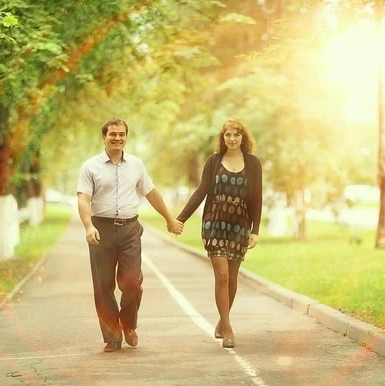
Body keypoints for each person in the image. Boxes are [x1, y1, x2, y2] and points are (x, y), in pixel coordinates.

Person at [77, 118, 183, 352]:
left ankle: (129, 324)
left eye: (121, 134)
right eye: (112, 134)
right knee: (103, 285)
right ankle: (112, 336)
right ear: (104, 136)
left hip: (129, 230)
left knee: (132, 282)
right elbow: (83, 199)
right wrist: (88, 226)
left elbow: (152, 193)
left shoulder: (136, 165)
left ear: (126, 137)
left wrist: (169, 219)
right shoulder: (90, 167)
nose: (117, 138)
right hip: (101, 230)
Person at [177, 119, 262, 348]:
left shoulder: (253, 164)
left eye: (236, 135)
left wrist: (255, 230)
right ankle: (228, 328)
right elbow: (201, 191)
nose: (232, 139)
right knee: (222, 276)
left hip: (239, 227)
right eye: (227, 135)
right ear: (222, 138)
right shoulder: (214, 162)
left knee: (233, 278)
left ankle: (221, 321)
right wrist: (180, 218)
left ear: (243, 138)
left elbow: (256, 197)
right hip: (214, 225)